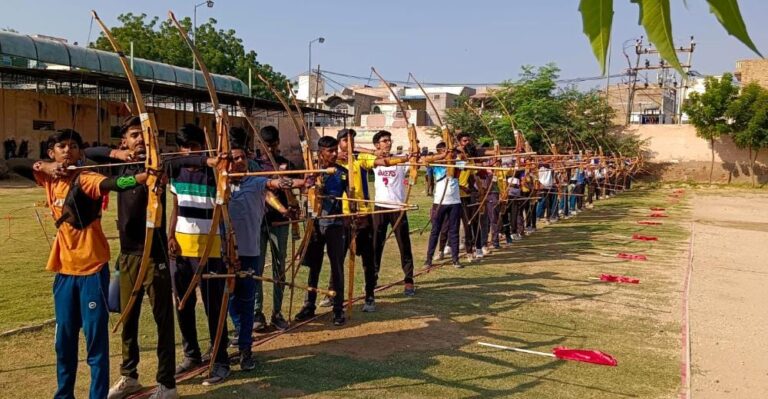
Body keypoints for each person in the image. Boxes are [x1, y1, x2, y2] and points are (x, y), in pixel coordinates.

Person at [30, 129, 151, 399]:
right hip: (63, 269)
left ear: (80, 153)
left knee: (95, 342)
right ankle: (64, 394)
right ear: (52, 152)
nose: (67, 150)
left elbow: (113, 184)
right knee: (64, 341)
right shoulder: (49, 178)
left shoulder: (86, 178)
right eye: (61, 146)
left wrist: (143, 177)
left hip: (92, 268)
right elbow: (28, 166)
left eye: (73, 146)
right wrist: (46, 166)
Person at [83, 116, 179, 399]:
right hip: (128, 254)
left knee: (163, 320)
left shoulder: (158, 164)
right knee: (128, 318)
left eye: (146, 135)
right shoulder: (121, 164)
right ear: (123, 140)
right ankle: (130, 375)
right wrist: (118, 154)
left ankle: (167, 383)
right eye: (135, 135)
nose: (141, 140)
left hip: (154, 253)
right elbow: (89, 153)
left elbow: (192, 162)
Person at [225, 135, 305, 371]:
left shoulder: (255, 180)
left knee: (246, 300)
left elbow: (275, 185)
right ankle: (237, 336)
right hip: (226, 253)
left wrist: (299, 182)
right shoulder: (220, 183)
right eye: (231, 158)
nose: (236, 162)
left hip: (249, 250)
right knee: (227, 300)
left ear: (247, 158)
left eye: (240, 157)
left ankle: (245, 348)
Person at [167, 124, 230, 386]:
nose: (190, 153)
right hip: (181, 250)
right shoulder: (176, 171)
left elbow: (224, 212)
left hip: (211, 250)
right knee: (183, 304)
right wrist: (170, 235)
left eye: (195, 147)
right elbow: (175, 207)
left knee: (215, 307)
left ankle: (220, 359)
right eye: (185, 148)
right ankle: (191, 354)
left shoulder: (214, 173)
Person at [294, 136, 349, 326]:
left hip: (335, 224)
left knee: (337, 267)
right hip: (315, 225)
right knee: (314, 266)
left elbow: (350, 198)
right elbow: (303, 192)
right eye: (330, 151)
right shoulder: (312, 171)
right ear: (321, 153)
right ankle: (309, 305)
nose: (335, 154)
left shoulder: (343, 172)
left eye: (336, 150)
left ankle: (338, 308)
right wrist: (310, 185)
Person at [251, 126, 295, 331]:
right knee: (256, 269)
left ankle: (277, 313)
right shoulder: (254, 164)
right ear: (260, 144)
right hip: (258, 221)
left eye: (273, 144)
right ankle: (256, 313)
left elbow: (296, 186)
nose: (270, 148)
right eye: (265, 144)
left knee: (279, 268)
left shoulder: (286, 164)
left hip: (280, 222)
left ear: (278, 143)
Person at [367, 130, 417, 312]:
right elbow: (353, 152)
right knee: (375, 246)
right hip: (380, 207)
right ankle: (372, 281)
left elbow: (416, 161)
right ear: (377, 145)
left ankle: (409, 280)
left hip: (398, 208)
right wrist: (374, 153)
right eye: (384, 141)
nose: (388, 143)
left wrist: (413, 154)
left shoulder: (400, 161)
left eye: (389, 140)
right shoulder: (374, 162)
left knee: (404, 245)